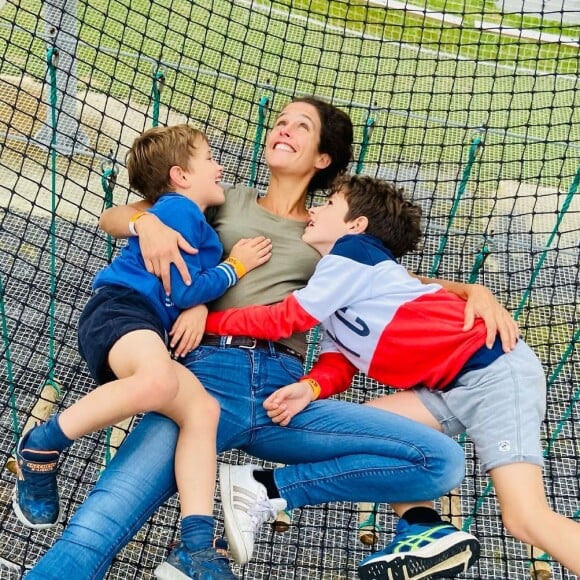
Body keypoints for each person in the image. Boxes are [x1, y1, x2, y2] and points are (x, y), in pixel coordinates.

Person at [26, 97, 516, 580]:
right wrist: (146, 224)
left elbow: (396, 286)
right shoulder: (221, 199)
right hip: (201, 378)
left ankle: (263, 490)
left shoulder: (332, 228)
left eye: (300, 126)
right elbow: (113, 218)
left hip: (282, 394)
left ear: (323, 158)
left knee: (443, 459)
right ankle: (180, 547)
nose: (283, 129)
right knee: (94, 530)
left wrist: (472, 289)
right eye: (280, 121)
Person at [204, 173, 580, 578]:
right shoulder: (338, 282)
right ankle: (421, 526)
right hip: (449, 386)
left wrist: (205, 321)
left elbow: (287, 318)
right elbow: (339, 364)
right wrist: (309, 387)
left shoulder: (353, 253)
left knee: (525, 518)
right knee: (378, 430)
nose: (314, 209)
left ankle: (267, 487)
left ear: (356, 225)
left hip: (495, 373)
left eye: (328, 203)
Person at [15, 124, 272, 580]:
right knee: (159, 381)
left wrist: (199, 305)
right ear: (180, 175)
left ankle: (197, 545)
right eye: (210, 158)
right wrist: (236, 266)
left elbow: (187, 288)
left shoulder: (188, 215)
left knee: (202, 411)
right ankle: (41, 446)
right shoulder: (179, 210)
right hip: (121, 310)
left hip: (144, 324)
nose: (220, 166)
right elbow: (187, 283)